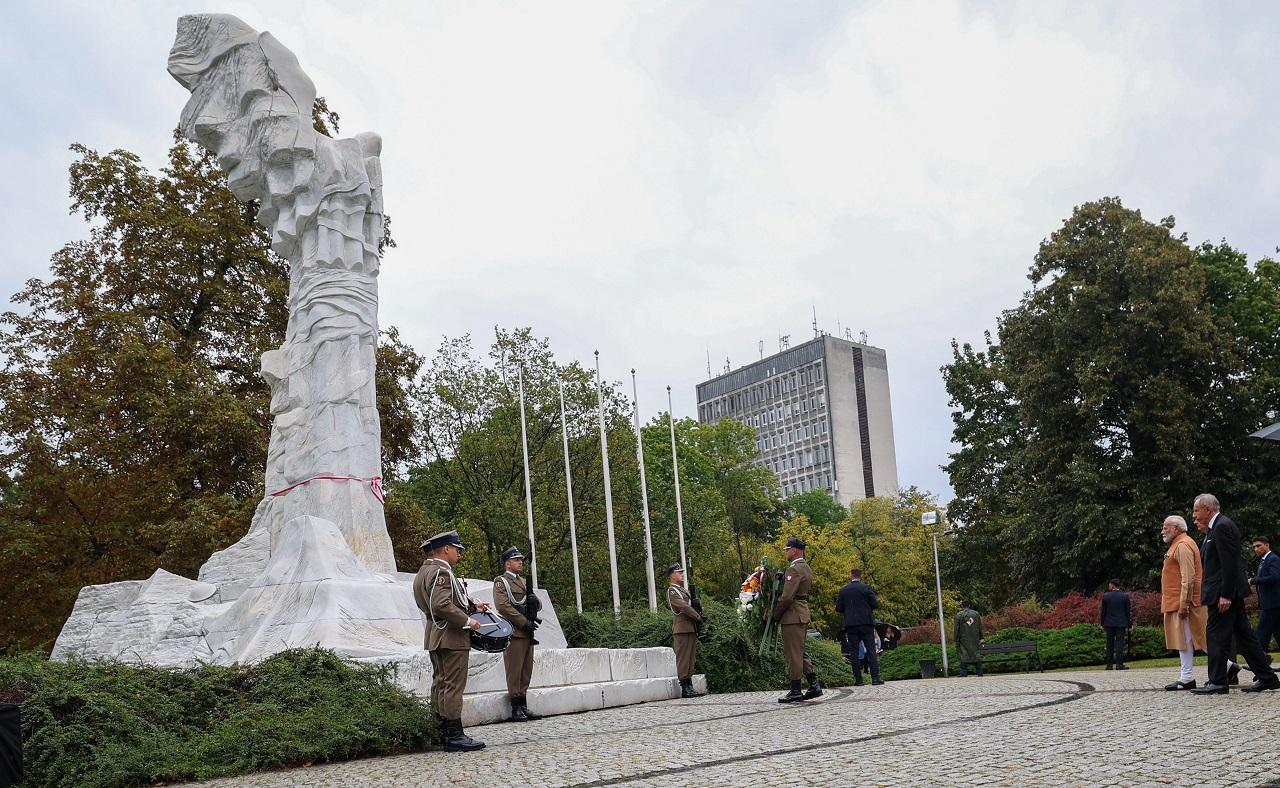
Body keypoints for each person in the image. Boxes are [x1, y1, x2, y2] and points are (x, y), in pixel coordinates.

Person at [1188, 494, 1280, 694]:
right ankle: (1268, 678)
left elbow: (1229, 563)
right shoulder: (1214, 528)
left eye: (1196, 510)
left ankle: (1218, 681)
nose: (1194, 514)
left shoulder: (1222, 526)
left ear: (1207, 509)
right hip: (1225, 591)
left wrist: (1226, 594)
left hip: (1224, 592)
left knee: (1216, 635)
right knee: (1244, 637)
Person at [413, 530, 490, 750]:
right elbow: (440, 604)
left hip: (436, 633)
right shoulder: (441, 572)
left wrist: (473, 606)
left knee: (440, 684)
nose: (459, 553)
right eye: (457, 549)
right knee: (453, 686)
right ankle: (454, 735)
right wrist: (468, 620)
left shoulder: (425, 571)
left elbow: (437, 602)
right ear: (446, 548)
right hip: (451, 635)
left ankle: (440, 731)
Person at [492, 546, 542, 722]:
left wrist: (536, 603)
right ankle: (515, 708)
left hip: (527, 633)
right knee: (514, 671)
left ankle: (523, 705)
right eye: (516, 559)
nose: (520, 562)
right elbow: (503, 606)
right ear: (507, 563)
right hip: (515, 632)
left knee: (526, 671)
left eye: (521, 559)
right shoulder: (501, 582)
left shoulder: (522, 581)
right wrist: (523, 622)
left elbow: (534, 603)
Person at [1160, 515, 1208, 690]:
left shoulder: (1182, 545)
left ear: (1177, 528)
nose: (1162, 530)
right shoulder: (1179, 544)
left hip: (1184, 603)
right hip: (1179, 601)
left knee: (1190, 639)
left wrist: (1184, 604)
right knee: (1191, 639)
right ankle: (1227, 666)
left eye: (1166, 527)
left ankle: (1187, 677)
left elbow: (1188, 578)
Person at [774, 537, 823, 702]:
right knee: (800, 651)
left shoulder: (794, 569)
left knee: (793, 653)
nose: (786, 552)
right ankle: (813, 684)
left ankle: (795, 690)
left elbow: (787, 597)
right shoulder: (805, 567)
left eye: (787, 549)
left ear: (794, 550)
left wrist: (776, 614)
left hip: (792, 614)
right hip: (800, 612)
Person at [835, 568, 882, 686]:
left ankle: (858, 680)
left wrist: (849, 611)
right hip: (866, 623)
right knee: (871, 650)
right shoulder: (866, 588)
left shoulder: (844, 590)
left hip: (851, 624)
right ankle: (875, 678)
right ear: (860, 576)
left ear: (851, 575)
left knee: (854, 653)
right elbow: (875, 604)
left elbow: (839, 608)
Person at [666, 564, 705, 698]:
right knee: (683, 659)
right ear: (672, 575)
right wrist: (697, 616)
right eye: (679, 572)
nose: (682, 574)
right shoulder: (673, 591)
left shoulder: (683, 590)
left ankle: (689, 686)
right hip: (681, 629)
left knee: (690, 658)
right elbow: (683, 607)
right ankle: (685, 688)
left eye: (682, 572)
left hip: (690, 628)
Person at [1248, 535, 1280, 653]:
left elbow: (1275, 577)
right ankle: (1263, 662)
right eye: (1254, 547)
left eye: (1258, 546)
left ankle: (1261, 663)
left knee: (1262, 633)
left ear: (1267, 545)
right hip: (1270, 604)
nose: (1256, 549)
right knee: (1277, 633)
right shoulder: (1264, 560)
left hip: (1272, 604)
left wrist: (1253, 580)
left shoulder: (1273, 559)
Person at [1100, 579, 1133, 670]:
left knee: (1109, 643)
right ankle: (1119, 664)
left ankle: (1109, 665)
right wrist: (1130, 625)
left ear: (1113, 585)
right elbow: (1128, 612)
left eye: (1110, 585)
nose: (1109, 586)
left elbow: (1103, 612)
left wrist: (1102, 623)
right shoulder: (1125, 596)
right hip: (1121, 623)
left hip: (1109, 623)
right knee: (1119, 643)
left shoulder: (1106, 596)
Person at [954, 604, 983, 677]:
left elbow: (956, 628)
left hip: (963, 638)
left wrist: (955, 638)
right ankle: (979, 672)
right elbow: (980, 627)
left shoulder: (959, 615)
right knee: (976, 654)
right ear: (970, 606)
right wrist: (981, 637)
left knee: (963, 655)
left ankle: (963, 673)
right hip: (975, 638)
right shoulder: (976, 614)